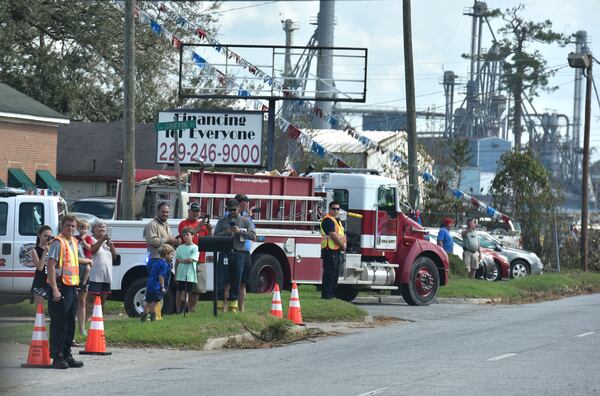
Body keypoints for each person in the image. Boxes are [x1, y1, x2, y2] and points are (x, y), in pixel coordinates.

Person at [46, 214, 87, 369]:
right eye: (68, 225)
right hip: (60, 287)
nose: (71, 228)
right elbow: (50, 265)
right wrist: (54, 289)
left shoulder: (74, 242)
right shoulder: (58, 242)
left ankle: (67, 354)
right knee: (59, 323)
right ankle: (57, 357)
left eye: (73, 226)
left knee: (70, 323)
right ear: (62, 226)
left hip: (71, 287)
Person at [214, 199, 256, 312]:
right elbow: (215, 236)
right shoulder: (222, 221)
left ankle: (233, 307)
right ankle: (221, 307)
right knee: (222, 281)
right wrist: (226, 232)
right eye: (230, 210)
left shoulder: (245, 221)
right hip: (225, 253)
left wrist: (240, 232)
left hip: (239, 253)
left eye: (235, 210)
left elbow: (253, 236)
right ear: (227, 209)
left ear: (238, 208)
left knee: (237, 281)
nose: (233, 212)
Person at [143, 202, 179, 318]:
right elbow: (151, 241)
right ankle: (155, 315)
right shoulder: (152, 224)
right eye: (163, 211)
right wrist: (167, 238)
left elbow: (168, 242)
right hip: (156, 259)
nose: (165, 214)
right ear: (158, 211)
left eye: (167, 212)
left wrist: (175, 242)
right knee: (158, 289)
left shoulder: (166, 225)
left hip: (166, 261)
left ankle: (154, 314)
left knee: (162, 289)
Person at [178, 202, 211, 312]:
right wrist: (199, 226)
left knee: (197, 289)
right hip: (186, 260)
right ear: (189, 211)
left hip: (200, 260)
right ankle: (180, 310)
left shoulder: (203, 226)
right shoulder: (184, 224)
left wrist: (209, 229)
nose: (196, 213)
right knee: (183, 288)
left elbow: (210, 240)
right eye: (194, 211)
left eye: (198, 211)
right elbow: (187, 236)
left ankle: (191, 310)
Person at [86, 220, 117, 316]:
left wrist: (111, 246)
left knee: (102, 300)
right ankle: (87, 319)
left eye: (103, 227)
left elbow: (115, 257)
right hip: (95, 275)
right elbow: (92, 251)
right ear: (93, 229)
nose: (102, 229)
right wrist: (102, 240)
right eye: (99, 227)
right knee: (91, 299)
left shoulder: (107, 242)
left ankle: (99, 320)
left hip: (106, 276)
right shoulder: (91, 239)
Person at [320, 201, 346, 299]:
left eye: (337, 209)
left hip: (336, 249)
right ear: (329, 209)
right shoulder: (328, 220)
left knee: (335, 273)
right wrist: (342, 245)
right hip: (329, 250)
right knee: (330, 273)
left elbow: (342, 235)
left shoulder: (336, 221)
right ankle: (327, 294)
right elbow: (333, 235)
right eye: (333, 208)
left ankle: (331, 294)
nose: (336, 210)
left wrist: (344, 245)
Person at [140, 244, 174, 322]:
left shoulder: (156, 262)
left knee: (148, 302)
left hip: (149, 284)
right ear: (166, 255)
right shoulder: (164, 264)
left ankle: (143, 318)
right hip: (156, 286)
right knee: (154, 303)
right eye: (171, 254)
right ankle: (153, 318)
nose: (172, 256)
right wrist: (162, 287)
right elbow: (161, 276)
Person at [233, 193, 254, 312]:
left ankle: (242, 309)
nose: (247, 205)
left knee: (243, 283)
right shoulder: (230, 216)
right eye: (246, 202)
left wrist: (242, 232)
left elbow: (253, 233)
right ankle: (231, 307)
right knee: (232, 282)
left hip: (245, 251)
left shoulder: (247, 218)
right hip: (235, 251)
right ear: (241, 203)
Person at [75, 219, 93, 337]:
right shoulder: (75, 238)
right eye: (81, 228)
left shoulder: (88, 238)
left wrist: (83, 240)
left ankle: (82, 328)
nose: (83, 230)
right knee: (74, 302)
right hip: (75, 270)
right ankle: (73, 329)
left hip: (86, 262)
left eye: (85, 228)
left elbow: (90, 249)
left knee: (82, 301)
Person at [174, 227, 199, 314]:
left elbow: (191, 260)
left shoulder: (195, 247)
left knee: (187, 293)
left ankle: (185, 310)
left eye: (187, 235)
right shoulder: (180, 248)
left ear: (192, 235)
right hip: (180, 274)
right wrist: (175, 274)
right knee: (179, 292)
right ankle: (179, 310)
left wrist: (181, 260)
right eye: (184, 235)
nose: (185, 237)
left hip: (190, 274)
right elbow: (176, 262)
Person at [30, 225, 53, 306]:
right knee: (40, 308)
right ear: (39, 236)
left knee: (53, 307)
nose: (47, 238)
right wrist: (44, 252)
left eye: (49, 236)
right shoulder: (34, 250)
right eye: (45, 236)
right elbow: (39, 267)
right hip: (40, 281)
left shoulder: (53, 250)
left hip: (51, 281)